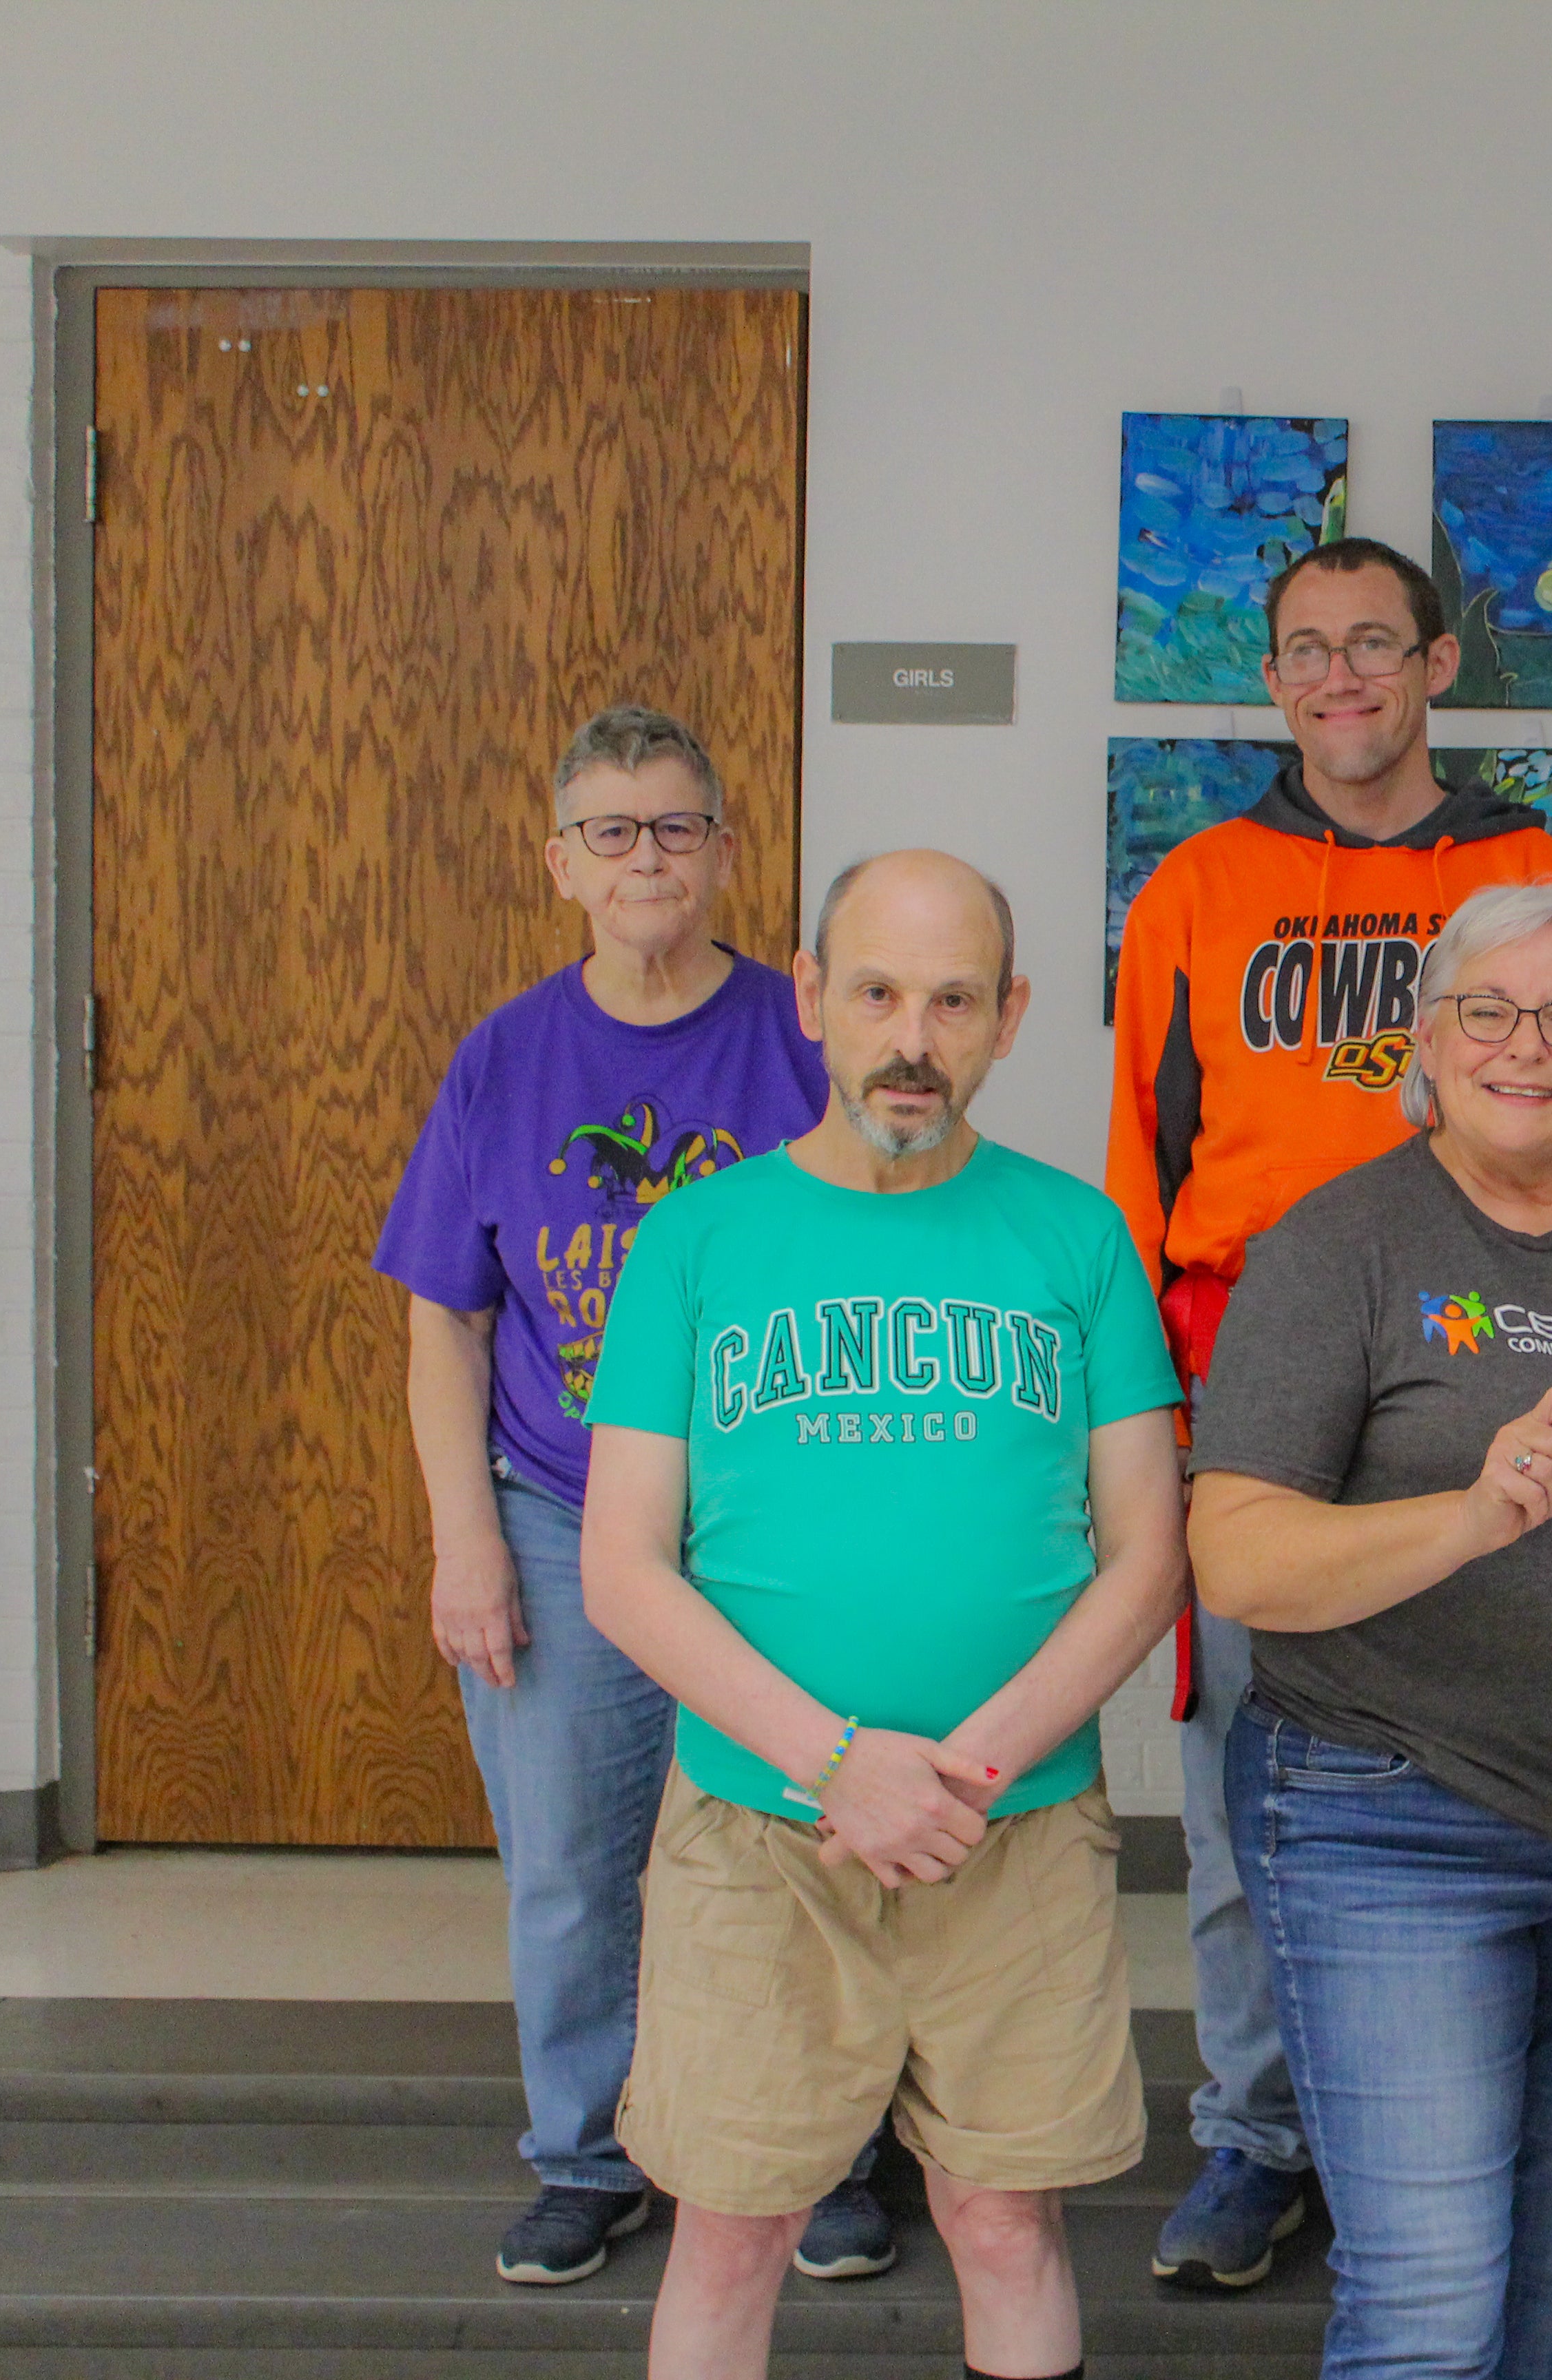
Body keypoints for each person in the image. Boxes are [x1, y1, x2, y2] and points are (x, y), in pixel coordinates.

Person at [583, 850, 1188, 2380]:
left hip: (1021, 1830)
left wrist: (960, 1774)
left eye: (954, 999)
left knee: (1001, 2225)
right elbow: (625, 1568)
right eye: (876, 992)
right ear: (811, 999)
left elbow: (1147, 1557)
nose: (912, 1036)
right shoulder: (697, 1244)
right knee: (731, 2230)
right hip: (759, 1838)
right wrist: (840, 1763)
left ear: (1011, 1017)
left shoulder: (1078, 1238)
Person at [1186, 881, 1552, 2377]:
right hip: (1390, 1817)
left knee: (1540, 2289)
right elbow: (1237, 1559)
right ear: (1424, 1046)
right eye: (1490, 1013)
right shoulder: (1343, 1244)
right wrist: (1472, 1513)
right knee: (1434, 2310)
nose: (1532, 1046)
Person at [1107, 535, 1552, 2294]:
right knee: (1256, 1781)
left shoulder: (1535, 870)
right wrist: (1143, 1419)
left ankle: (1482, 2109)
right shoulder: (1198, 888)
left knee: (1494, 1747)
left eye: (1373, 646)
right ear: (1275, 680)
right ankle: (1257, 2133)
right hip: (1254, 1363)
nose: (1340, 680)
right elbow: (1134, 1163)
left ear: (1439, 666)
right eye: (1305, 651)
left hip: (1484, 1348)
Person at [372, 704, 890, 2288]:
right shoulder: (506, 1057)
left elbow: (891, 1259)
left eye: (677, 827)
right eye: (613, 831)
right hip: (561, 1513)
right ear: (562, 863)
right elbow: (444, 1320)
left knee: (817, 1838)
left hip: (777, 1520)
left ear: (729, 852)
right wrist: (468, 1538)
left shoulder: (805, 1040)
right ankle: (587, 2158)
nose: (647, 857)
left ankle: (831, 2155)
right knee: (575, 1865)